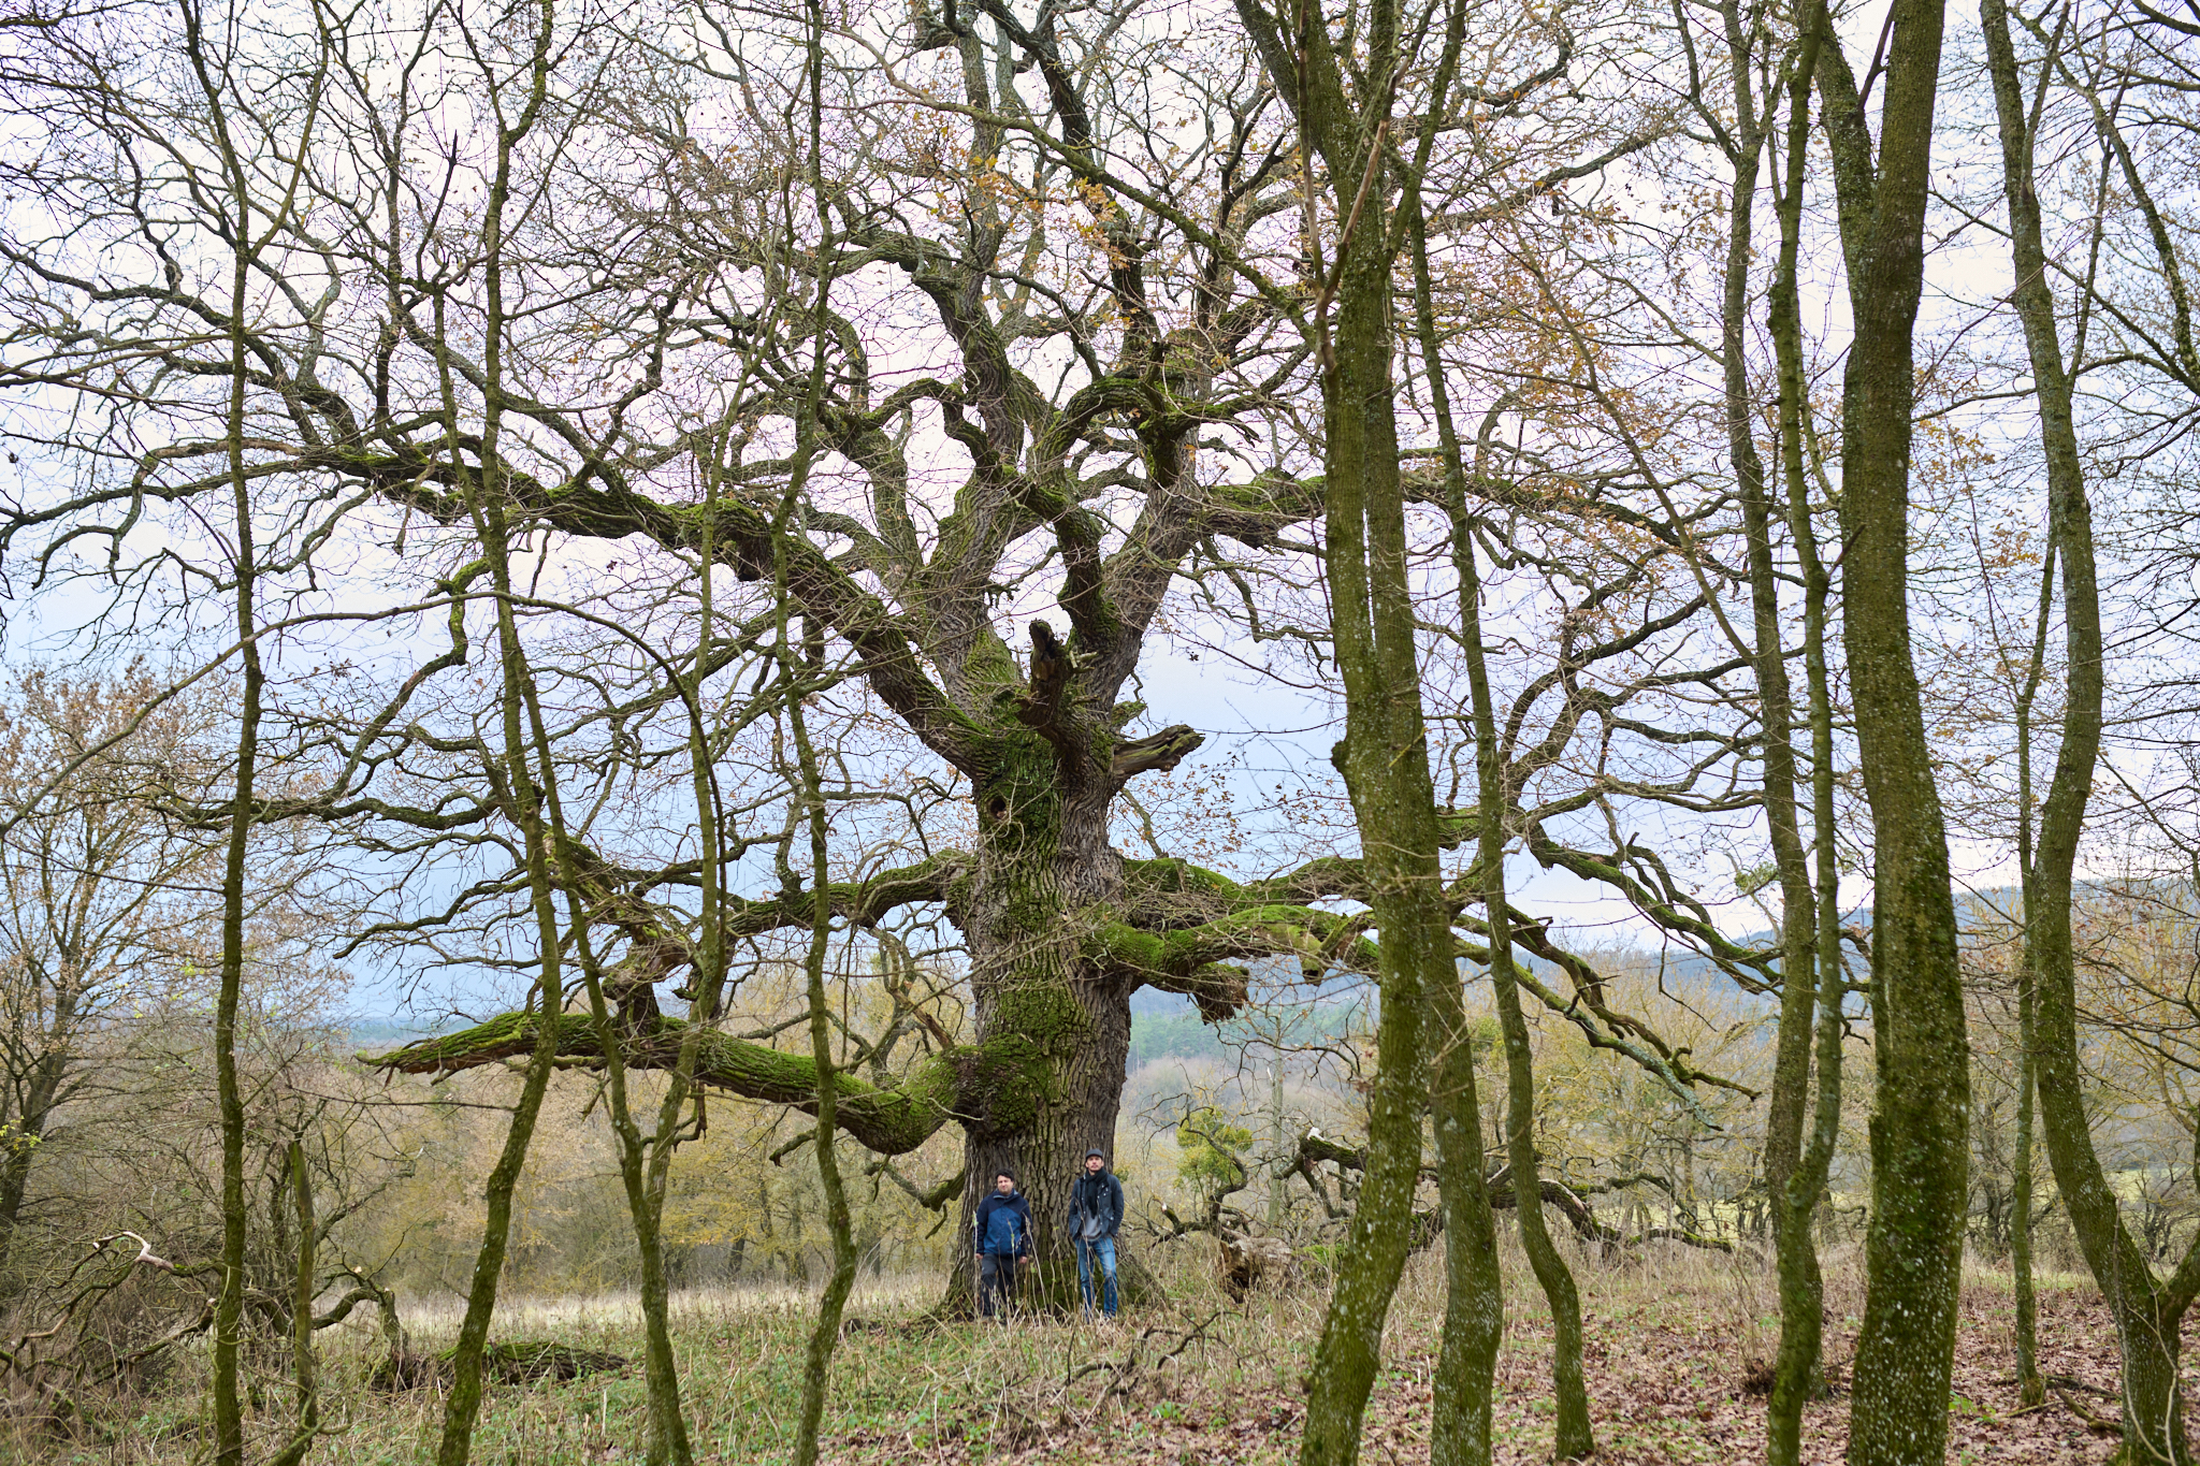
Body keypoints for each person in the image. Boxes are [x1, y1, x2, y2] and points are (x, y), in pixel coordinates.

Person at [1066, 1147, 1123, 1318]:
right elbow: (1073, 1209)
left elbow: (1119, 1208)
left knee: (1110, 1273)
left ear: (1102, 1162)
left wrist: (1112, 1230)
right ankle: (1088, 1313)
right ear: (1086, 1163)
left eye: (1097, 1159)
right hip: (1083, 1238)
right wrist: (1074, 1231)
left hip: (1102, 1237)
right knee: (1085, 1278)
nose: (1094, 1162)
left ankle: (1109, 1314)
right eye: (1091, 1159)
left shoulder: (1111, 1182)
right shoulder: (1080, 1183)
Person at [973, 1170, 1031, 1319]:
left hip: (1011, 1252)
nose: (1003, 1184)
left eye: (1006, 1181)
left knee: (1005, 1285)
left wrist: (1024, 1252)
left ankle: (1003, 1314)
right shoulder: (988, 1202)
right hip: (990, 1250)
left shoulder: (1021, 1203)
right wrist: (978, 1248)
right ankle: (986, 1313)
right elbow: (979, 1226)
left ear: (1012, 1182)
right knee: (987, 1275)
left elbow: (1026, 1230)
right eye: (1000, 1182)